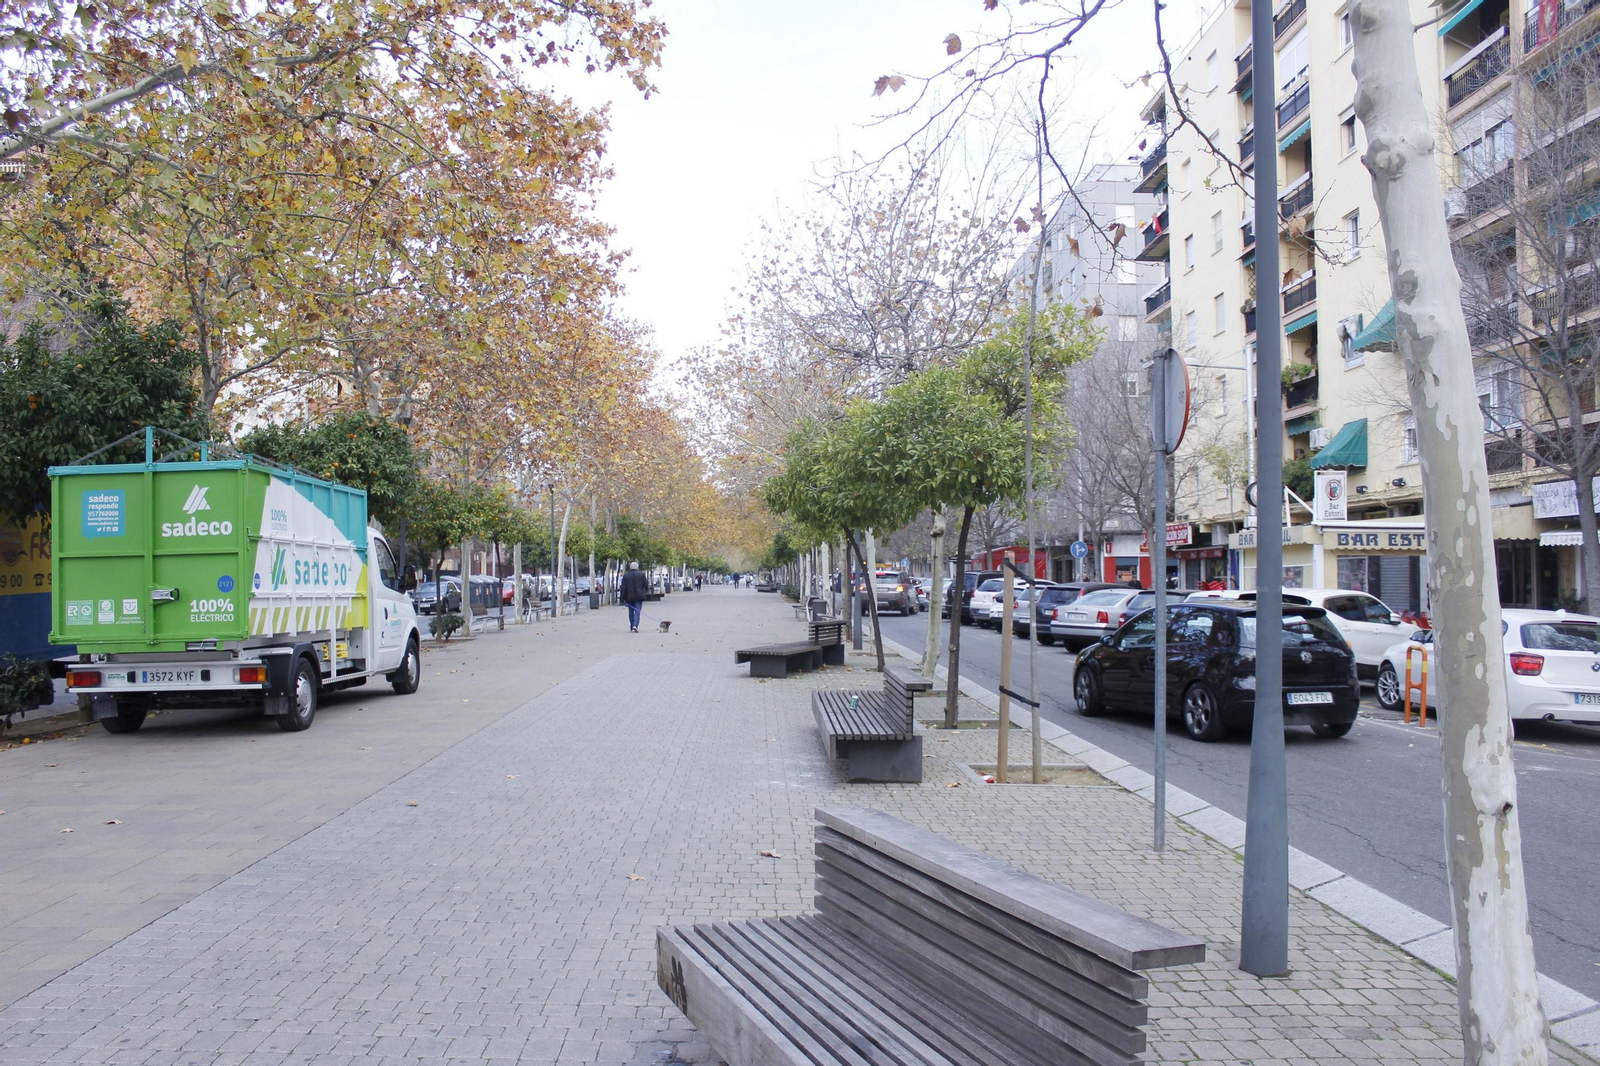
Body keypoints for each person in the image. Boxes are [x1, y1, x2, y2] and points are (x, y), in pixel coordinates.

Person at [620, 561, 649, 632]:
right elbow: (646, 585)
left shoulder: (626, 576)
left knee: (631, 612)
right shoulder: (641, 574)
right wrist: (645, 592)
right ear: (637, 567)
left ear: (630, 567)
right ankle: (635, 625)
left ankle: (632, 625)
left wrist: (622, 598)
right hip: (639, 596)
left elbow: (623, 587)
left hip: (629, 597)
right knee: (637, 611)